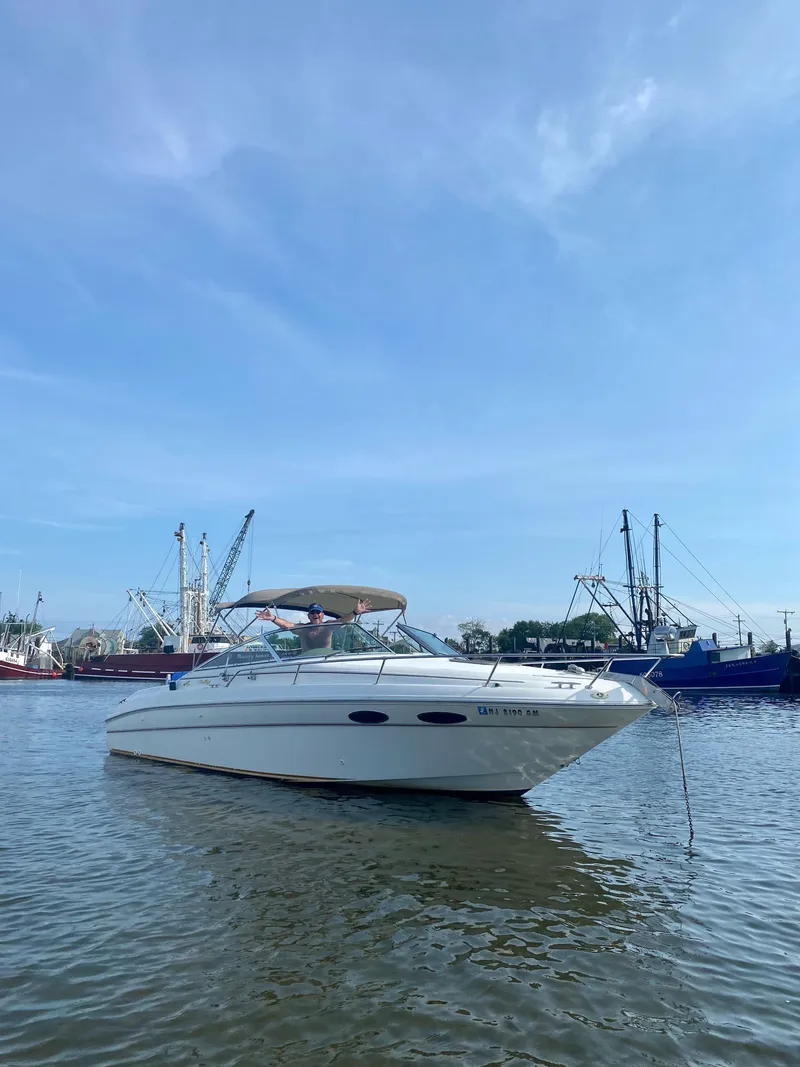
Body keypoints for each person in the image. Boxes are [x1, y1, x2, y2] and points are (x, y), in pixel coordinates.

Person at [255, 599, 372, 652]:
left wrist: (355, 612)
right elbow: (287, 625)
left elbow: (343, 621)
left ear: (322, 615)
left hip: (325, 662)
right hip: (306, 662)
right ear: (309, 616)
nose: (315, 614)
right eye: (312, 612)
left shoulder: (328, 626)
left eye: (317, 612)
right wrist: (272, 618)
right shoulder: (303, 629)